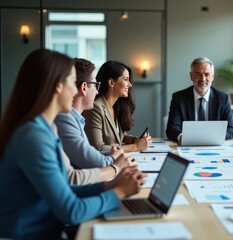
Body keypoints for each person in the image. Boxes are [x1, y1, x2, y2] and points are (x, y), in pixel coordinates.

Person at [0, 49, 144, 239]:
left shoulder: (46, 129)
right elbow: (72, 211)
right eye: (72, 82)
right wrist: (119, 192)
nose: (77, 90)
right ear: (58, 86)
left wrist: (110, 186)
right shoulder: (33, 137)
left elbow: (66, 187)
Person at [55, 58, 134, 182]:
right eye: (95, 85)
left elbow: (90, 154)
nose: (97, 91)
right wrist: (116, 161)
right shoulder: (65, 119)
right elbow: (93, 163)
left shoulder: (76, 119)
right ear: (84, 87)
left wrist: (112, 155)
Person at [84, 60, 151, 152]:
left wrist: (136, 140)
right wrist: (136, 146)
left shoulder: (117, 106)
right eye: (126, 79)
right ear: (111, 83)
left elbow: (119, 135)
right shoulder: (95, 107)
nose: (130, 84)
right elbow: (98, 148)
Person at [166, 57, 233, 143]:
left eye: (206, 74)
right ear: (191, 76)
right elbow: (172, 128)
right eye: (198, 74)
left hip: (214, 146)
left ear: (212, 76)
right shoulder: (178, 98)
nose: (203, 79)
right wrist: (182, 137)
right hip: (187, 146)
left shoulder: (223, 99)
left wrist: (214, 137)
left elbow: (231, 129)